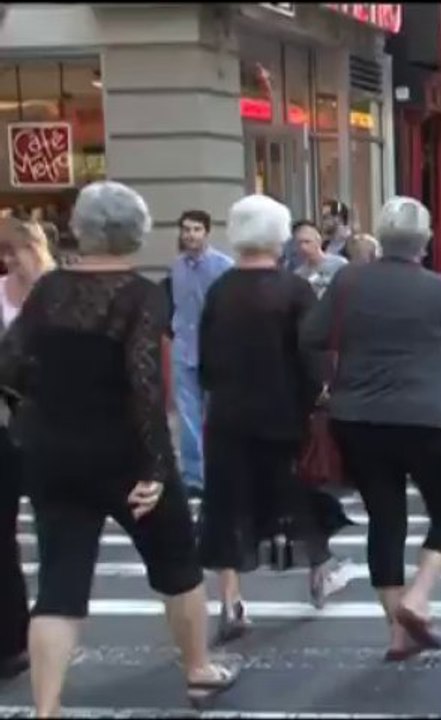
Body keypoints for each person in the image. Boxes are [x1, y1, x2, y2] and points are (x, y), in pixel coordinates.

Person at [0, 182, 238, 715]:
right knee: (177, 563)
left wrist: (37, 407)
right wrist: (156, 464)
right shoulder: (141, 294)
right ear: (135, 232)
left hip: (52, 451)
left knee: (59, 582)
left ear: (81, 229)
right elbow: (146, 386)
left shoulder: (48, 291)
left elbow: (9, 364)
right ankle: (198, 670)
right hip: (124, 453)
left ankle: (46, 706)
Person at [301, 196, 441, 662]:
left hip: (359, 419)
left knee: (386, 520)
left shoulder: (347, 282)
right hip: (430, 417)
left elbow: (311, 336)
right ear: (425, 241)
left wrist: (334, 375)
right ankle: (419, 596)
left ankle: (397, 632)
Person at [197, 195, 348, 641]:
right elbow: (312, 355)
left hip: (228, 413)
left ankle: (231, 599)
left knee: (226, 505)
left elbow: (205, 360)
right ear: (278, 234)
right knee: (297, 493)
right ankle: (319, 570)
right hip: (284, 411)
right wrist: (318, 397)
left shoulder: (220, 290)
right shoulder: (294, 290)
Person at [0, 219, 56, 680]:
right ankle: (12, 642)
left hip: (51, 430)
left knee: (57, 535)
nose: (8, 260)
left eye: (14, 251)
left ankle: (50, 628)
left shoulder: (59, 294)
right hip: (5, 429)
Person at [170, 210, 233, 496]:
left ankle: (217, 472)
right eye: (186, 229)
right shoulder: (177, 266)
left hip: (215, 349)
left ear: (207, 232)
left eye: (196, 229)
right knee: (187, 415)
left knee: (216, 414)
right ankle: (195, 477)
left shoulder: (223, 267)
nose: (190, 235)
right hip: (184, 348)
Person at [292, 219, 349, 298]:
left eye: (307, 242)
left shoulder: (339, 264)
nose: (303, 247)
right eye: (299, 243)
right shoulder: (298, 275)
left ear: (318, 241)